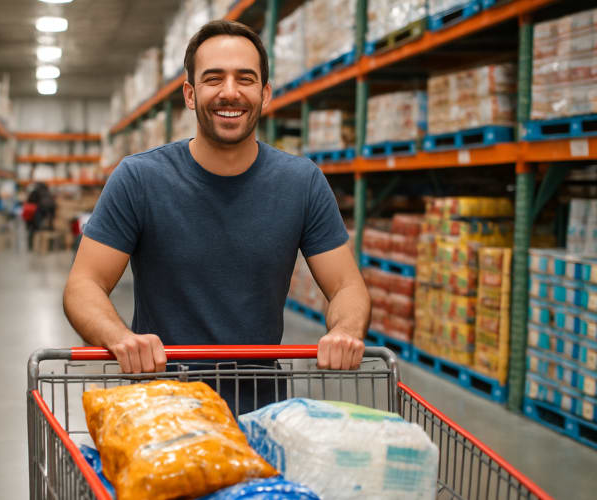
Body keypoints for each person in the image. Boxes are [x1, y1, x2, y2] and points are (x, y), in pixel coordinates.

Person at [63, 20, 370, 411]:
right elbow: (83, 284)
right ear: (190, 94)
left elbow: (347, 285)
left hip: (261, 408)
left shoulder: (301, 182)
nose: (230, 92)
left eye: (245, 79)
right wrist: (119, 336)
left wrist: (345, 330)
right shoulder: (140, 178)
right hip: (163, 407)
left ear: (265, 93)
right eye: (213, 79)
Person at [26, 182, 56, 251]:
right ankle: (48, 247)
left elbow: (30, 201)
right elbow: (53, 205)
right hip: (48, 213)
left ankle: (32, 247)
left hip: (37, 212)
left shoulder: (35, 192)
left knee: (34, 230)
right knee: (47, 230)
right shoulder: (48, 192)